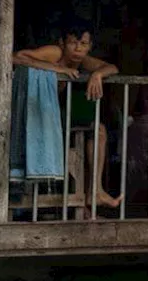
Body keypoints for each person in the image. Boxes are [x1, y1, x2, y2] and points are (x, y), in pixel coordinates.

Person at [14, 22, 121, 208]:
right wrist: (57, 69)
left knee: (99, 130)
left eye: (83, 44)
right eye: (73, 43)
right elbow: (16, 57)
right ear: (62, 43)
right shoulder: (55, 53)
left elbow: (112, 68)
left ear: (89, 46)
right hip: (33, 112)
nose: (78, 49)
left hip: (54, 113)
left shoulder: (82, 59)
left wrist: (97, 75)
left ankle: (95, 191)